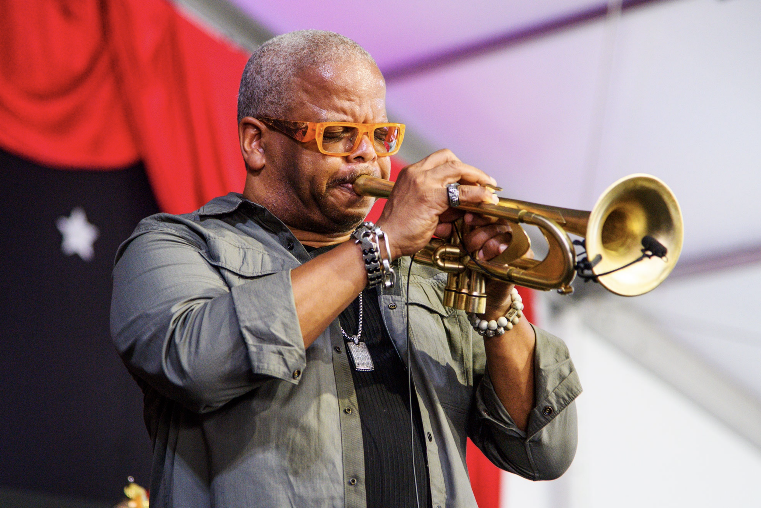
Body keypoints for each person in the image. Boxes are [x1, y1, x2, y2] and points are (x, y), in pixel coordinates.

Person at [110, 30, 581, 508]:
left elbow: (542, 452)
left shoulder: (427, 272)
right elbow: (196, 365)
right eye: (337, 133)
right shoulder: (177, 246)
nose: (368, 155)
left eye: (380, 135)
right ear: (256, 143)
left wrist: (500, 305)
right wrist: (384, 242)